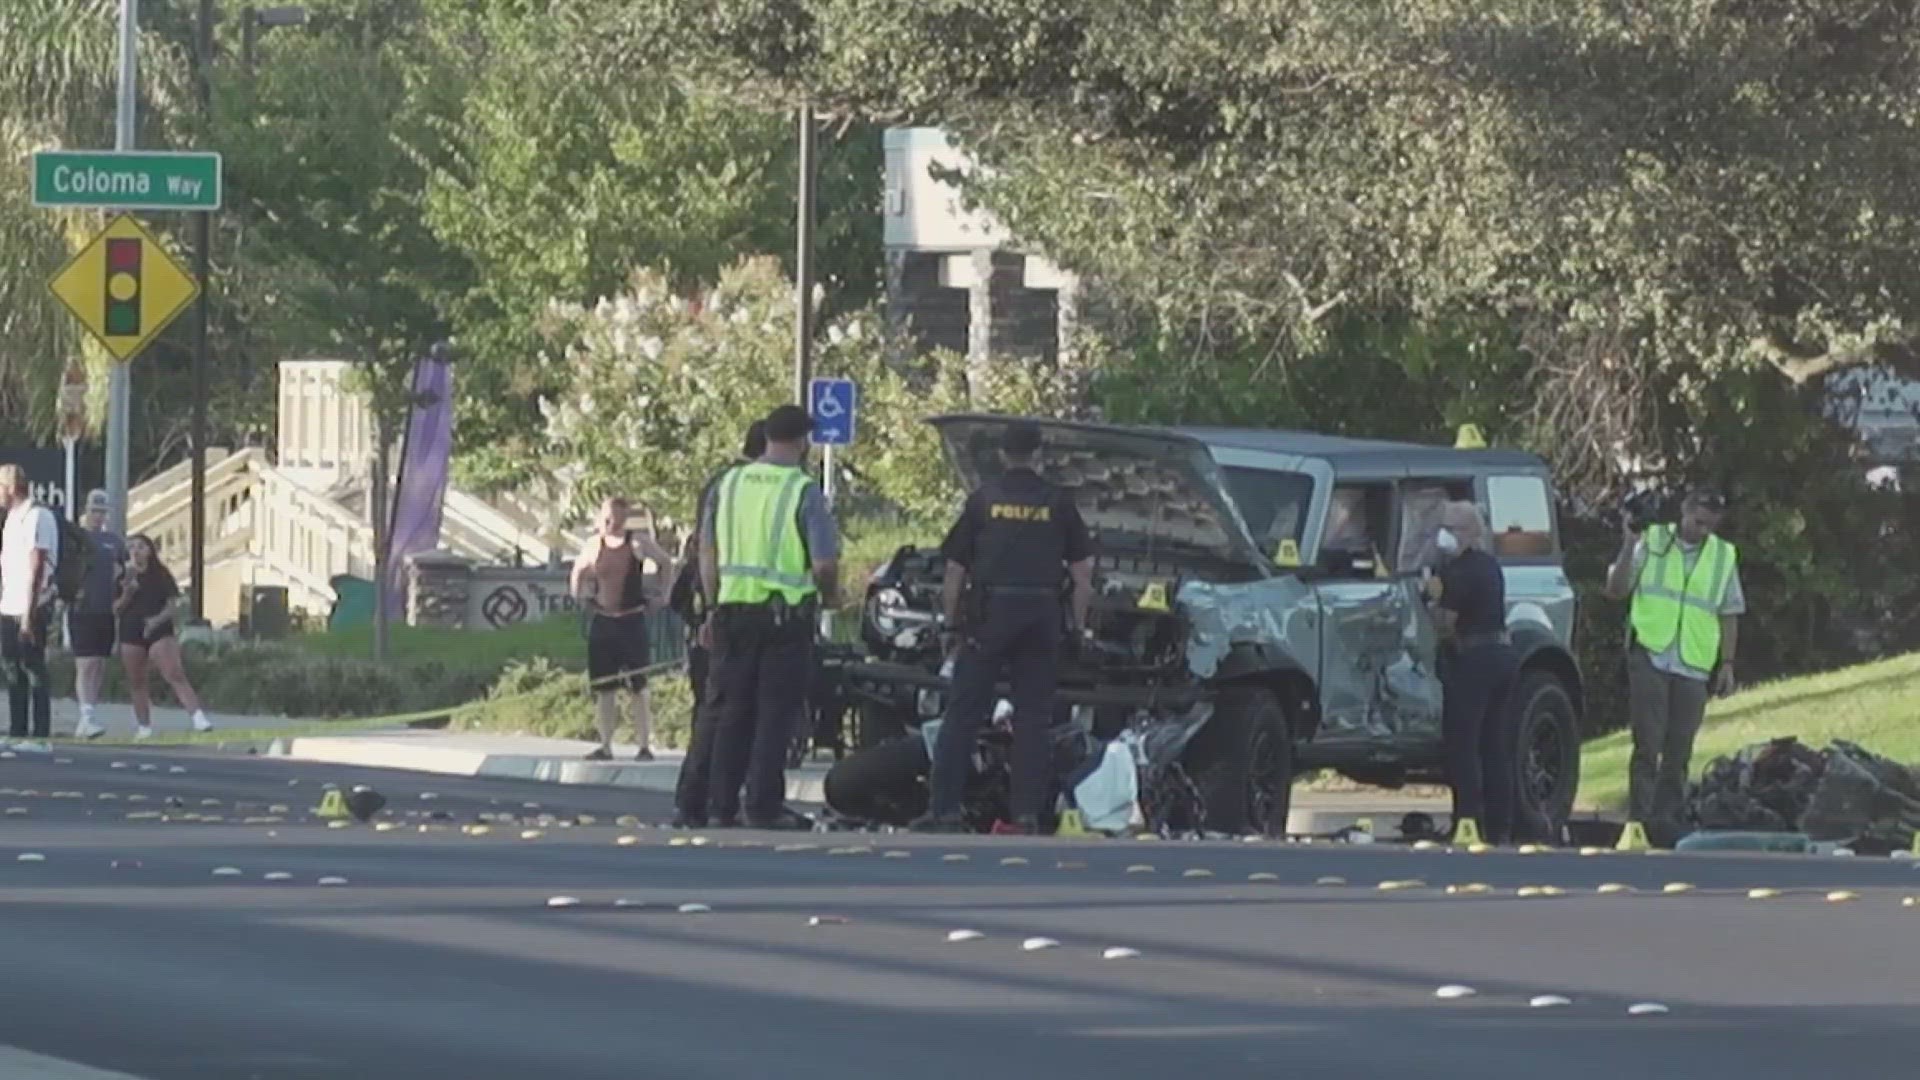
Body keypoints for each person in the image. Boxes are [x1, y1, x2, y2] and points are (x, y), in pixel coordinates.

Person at [910, 420, 1093, 835]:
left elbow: (955, 572)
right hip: (1041, 615)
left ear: (1002, 454)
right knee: (1033, 719)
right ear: (1039, 454)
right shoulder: (1058, 503)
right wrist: (1078, 630)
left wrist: (951, 625)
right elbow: (1083, 576)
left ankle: (945, 810)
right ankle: (1026, 813)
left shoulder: (982, 501)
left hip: (988, 616)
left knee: (963, 715)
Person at [696, 404, 839, 830]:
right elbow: (824, 564)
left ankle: (721, 805)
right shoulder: (801, 489)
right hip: (784, 619)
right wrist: (828, 598)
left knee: (733, 713)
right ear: (801, 442)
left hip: (732, 613)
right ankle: (762, 804)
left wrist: (712, 606)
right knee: (775, 716)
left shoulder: (729, 483)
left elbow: (708, 553)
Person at [1606, 486, 1743, 831]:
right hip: (1651, 652)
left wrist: (1726, 664)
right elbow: (1616, 590)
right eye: (1698, 522)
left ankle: (1667, 823)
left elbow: (1730, 612)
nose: (1703, 531)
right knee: (1647, 744)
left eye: (1710, 525)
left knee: (1680, 749)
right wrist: (1627, 545)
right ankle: (1640, 820)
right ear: (1684, 511)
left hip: (1694, 662)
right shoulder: (1652, 541)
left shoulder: (1723, 556)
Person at [669, 420, 767, 828]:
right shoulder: (744, 486)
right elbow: (712, 551)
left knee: (713, 711)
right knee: (726, 711)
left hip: (714, 610)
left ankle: (697, 799)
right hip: (732, 611)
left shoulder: (719, 483)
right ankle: (712, 798)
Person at [1427, 500, 1520, 845]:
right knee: (1494, 745)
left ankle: (1467, 821)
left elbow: (1444, 625)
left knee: (1463, 744)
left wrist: (1432, 600)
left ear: (1471, 532)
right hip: (1502, 656)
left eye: (1452, 528)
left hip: (1475, 659)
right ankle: (1500, 827)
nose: (1444, 535)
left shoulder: (1461, 571)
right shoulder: (1489, 565)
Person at [570, 496, 675, 761]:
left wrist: (663, 595)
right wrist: (579, 596)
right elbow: (578, 570)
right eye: (604, 518)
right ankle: (605, 745)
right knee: (605, 687)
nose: (607, 524)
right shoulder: (594, 545)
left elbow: (665, 563)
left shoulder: (637, 542)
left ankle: (644, 745)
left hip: (631, 620)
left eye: (612, 519)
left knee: (639, 686)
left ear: (622, 518)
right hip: (604, 621)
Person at [114, 534, 214, 738]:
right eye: (131, 547)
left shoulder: (160, 574)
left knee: (173, 672)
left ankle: (197, 717)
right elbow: (115, 609)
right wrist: (127, 592)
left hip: (158, 627)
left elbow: (173, 604)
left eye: (140, 547)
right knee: (137, 679)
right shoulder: (123, 576)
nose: (136, 551)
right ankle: (144, 726)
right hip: (131, 629)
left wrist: (156, 621)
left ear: (149, 550)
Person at [0, 465, 58, 752]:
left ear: (11, 487)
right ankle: (17, 729)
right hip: (8, 603)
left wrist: (28, 614)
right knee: (11, 668)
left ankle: (40, 735)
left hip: (33, 604)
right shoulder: (12, 518)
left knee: (33, 666)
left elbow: (37, 566)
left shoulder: (37, 515)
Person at [68, 489, 127, 740]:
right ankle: (85, 714)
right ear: (86, 511)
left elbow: (124, 571)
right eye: (94, 511)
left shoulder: (114, 541)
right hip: (83, 607)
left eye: (102, 512)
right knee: (86, 663)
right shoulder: (77, 539)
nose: (98, 516)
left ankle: (90, 712)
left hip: (106, 608)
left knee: (100, 664)